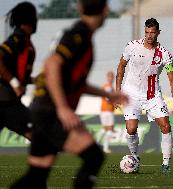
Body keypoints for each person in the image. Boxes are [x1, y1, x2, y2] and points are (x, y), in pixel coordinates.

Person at [10, 0, 128, 188]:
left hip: (43, 109)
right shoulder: (78, 34)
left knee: (36, 177)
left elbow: (75, 81)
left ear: (80, 8)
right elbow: (52, 64)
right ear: (106, 10)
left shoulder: (82, 35)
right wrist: (62, 107)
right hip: (50, 111)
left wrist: (107, 95)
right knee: (93, 157)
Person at [116, 18, 173, 174]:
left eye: (152, 32)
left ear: (158, 32)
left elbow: (172, 79)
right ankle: (135, 157)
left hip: (152, 96)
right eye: (147, 32)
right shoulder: (132, 46)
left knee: (166, 126)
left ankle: (166, 164)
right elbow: (121, 67)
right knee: (131, 129)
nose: (149, 35)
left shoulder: (165, 54)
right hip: (131, 94)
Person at [0, 2, 38, 140]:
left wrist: (35, 80)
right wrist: (15, 83)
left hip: (10, 103)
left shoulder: (26, 43)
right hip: (5, 101)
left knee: (37, 134)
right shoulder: (18, 39)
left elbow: (16, 73)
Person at [100, 71, 115, 153]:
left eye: (112, 77)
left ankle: (97, 144)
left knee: (105, 129)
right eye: (110, 77)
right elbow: (108, 98)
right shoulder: (108, 87)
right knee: (110, 129)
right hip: (107, 110)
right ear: (107, 77)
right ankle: (105, 148)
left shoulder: (107, 87)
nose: (111, 78)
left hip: (104, 110)